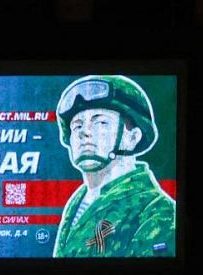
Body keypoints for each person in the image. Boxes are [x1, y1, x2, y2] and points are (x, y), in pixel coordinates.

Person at [52, 75, 175, 258]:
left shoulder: (157, 212)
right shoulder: (77, 201)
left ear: (132, 138)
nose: (84, 132)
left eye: (100, 122)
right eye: (77, 126)